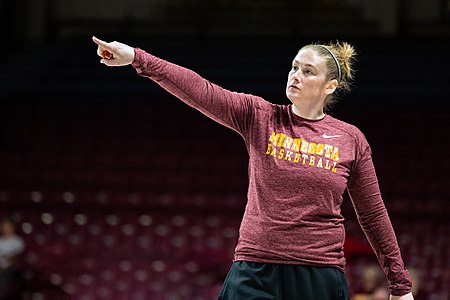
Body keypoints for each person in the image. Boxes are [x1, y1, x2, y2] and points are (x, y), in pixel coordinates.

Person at [92, 36, 414, 300]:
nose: (295, 76)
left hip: (318, 275)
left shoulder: (350, 139)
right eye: (294, 67)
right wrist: (137, 57)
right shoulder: (260, 116)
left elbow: (373, 215)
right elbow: (200, 90)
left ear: (329, 86)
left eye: (308, 71)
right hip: (255, 269)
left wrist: (399, 286)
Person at [0, 216, 25, 300]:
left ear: (12, 227)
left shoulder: (17, 242)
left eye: (8, 226)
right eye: (4, 226)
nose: (6, 228)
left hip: (10, 270)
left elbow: (18, 259)